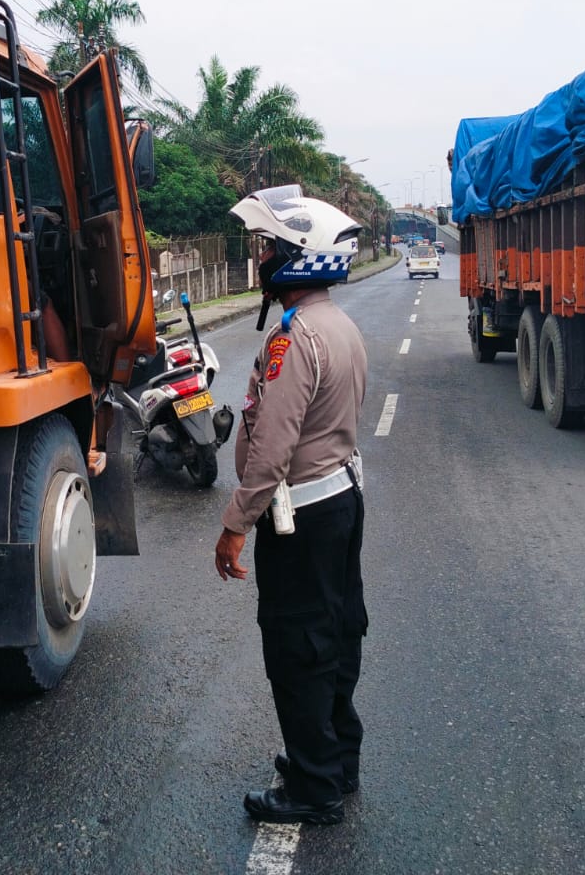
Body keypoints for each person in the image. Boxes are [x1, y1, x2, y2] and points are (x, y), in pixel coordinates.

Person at [214, 185, 369, 827]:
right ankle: (334, 758)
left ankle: (314, 786)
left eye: (269, 248)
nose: (260, 259)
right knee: (335, 632)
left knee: (298, 644)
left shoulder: (294, 338)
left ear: (296, 257)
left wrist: (233, 526)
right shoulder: (338, 324)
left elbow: (270, 451)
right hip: (340, 501)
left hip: (300, 516)